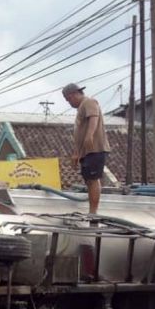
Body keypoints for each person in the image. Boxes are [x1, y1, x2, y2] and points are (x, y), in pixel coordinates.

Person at [62, 82, 110, 215]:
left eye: (68, 99)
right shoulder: (80, 109)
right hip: (86, 151)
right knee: (88, 179)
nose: (69, 103)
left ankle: (93, 212)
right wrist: (77, 153)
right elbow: (79, 133)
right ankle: (91, 210)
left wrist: (90, 136)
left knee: (93, 179)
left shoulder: (89, 102)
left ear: (73, 95)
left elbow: (94, 118)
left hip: (95, 148)